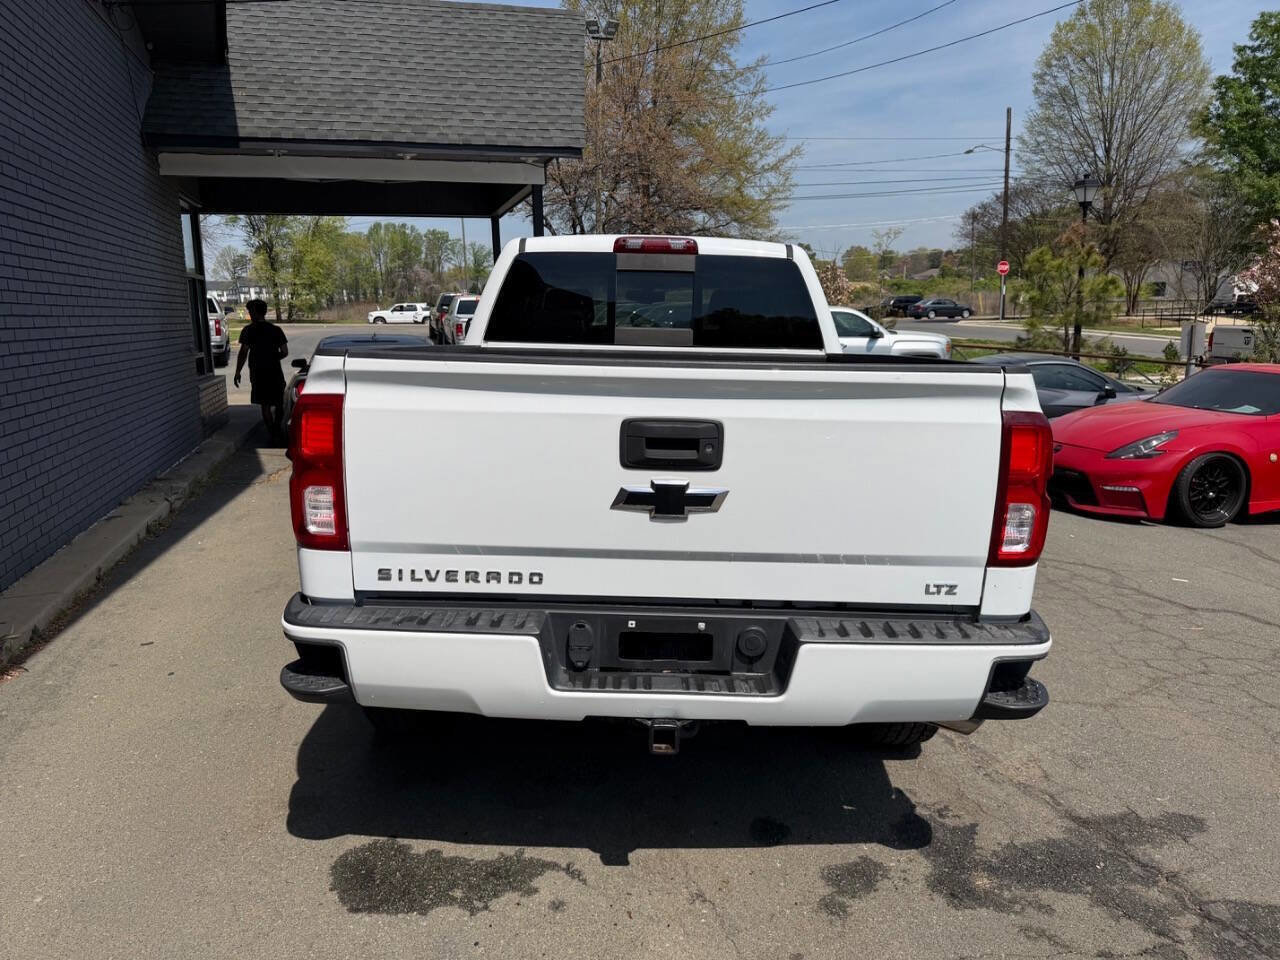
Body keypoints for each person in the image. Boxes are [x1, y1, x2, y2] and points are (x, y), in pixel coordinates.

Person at [233, 299, 289, 441]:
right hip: (275, 371)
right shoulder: (276, 330)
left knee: (265, 404)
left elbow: (243, 352)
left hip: (258, 372)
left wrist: (238, 372)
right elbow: (285, 351)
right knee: (279, 402)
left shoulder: (248, 331)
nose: (249, 314)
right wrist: (273, 358)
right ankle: (277, 427)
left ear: (255, 312)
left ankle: (272, 433)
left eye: (250, 311)